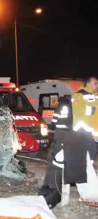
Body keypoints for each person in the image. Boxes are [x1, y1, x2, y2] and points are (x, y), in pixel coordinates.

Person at [39, 77, 98, 207]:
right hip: (78, 138)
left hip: (72, 139)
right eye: (95, 83)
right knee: (77, 165)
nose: (97, 85)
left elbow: (56, 123)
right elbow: (80, 119)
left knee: (75, 165)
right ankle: (87, 195)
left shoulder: (84, 99)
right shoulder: (81, 98)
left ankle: (54, 197)